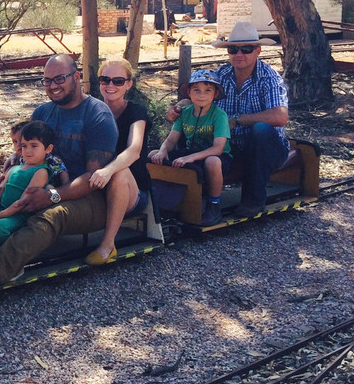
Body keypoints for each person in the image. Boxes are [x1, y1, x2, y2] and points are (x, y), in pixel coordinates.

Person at [0, 54, 118, 287]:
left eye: (59, 79)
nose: (52, 86)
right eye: (47, 80)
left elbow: (93, 178)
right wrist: (14, 161)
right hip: (41, 185)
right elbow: (26, 149)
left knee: (50, 216)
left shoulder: (97, 114)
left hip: (89, 198)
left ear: (76, 77)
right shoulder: (43, 112)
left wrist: (53, 195)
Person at [168, 21, 289, 216]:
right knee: (190, 124)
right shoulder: (221, 74)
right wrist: (180, 107)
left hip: (267, 150)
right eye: (233, 49)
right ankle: (185, 194)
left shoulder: (270, 78)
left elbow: (280, 116)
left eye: (246, 49)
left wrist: (237, 120)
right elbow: (202, 96)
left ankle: (254, 200)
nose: (239, 54)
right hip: (230, 147)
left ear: (258, 50)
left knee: (261, 130)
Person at [84, 58, 151, 264]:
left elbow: (134, 150)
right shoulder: (92, 110)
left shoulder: (136, 112)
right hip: (96, 184)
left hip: (131, 190)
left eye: (118, 81)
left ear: (129, 84)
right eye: (105, 80)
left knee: (120, 172)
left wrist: (108, 170)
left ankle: (108, 245)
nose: (110, 86)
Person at [151, 69, 233, 226]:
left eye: (208, 90)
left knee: (212, 162)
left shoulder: (219, 115)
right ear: (189, 92)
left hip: (217, 156)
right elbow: (171, 139)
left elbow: (218, 148)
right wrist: (162, 151)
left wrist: (190, 158)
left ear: (215, 94)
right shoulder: (184, 113)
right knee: (154, 154)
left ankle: (213, 206)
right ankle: (158, 202)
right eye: (196, 90)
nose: (201, 95)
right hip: (190, 153)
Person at [0, 120, 57, 246]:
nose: (28, 151)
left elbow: (25, 200)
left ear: (48, 148)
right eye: (24, 146)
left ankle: (7, 256)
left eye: (34, 146)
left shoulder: (41, 172)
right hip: (2, 210)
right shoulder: (14, 169)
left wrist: (2, 214)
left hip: (19, 216)